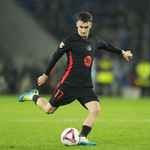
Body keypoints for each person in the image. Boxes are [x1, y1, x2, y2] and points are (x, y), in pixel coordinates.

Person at [19, 12, 133, 146]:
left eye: (86, 27)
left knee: (95, 109)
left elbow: (107, 45)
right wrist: (45, 75)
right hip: (68, 83)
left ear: (90, 25)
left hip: (84, 84)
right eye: (81, 27)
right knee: (48, 110)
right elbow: (55, 56)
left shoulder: (94, 40)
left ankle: (83, 137)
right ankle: (33, 96)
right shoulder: (69, 40)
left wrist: (122, 52)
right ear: (77, 24)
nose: (83, 30)